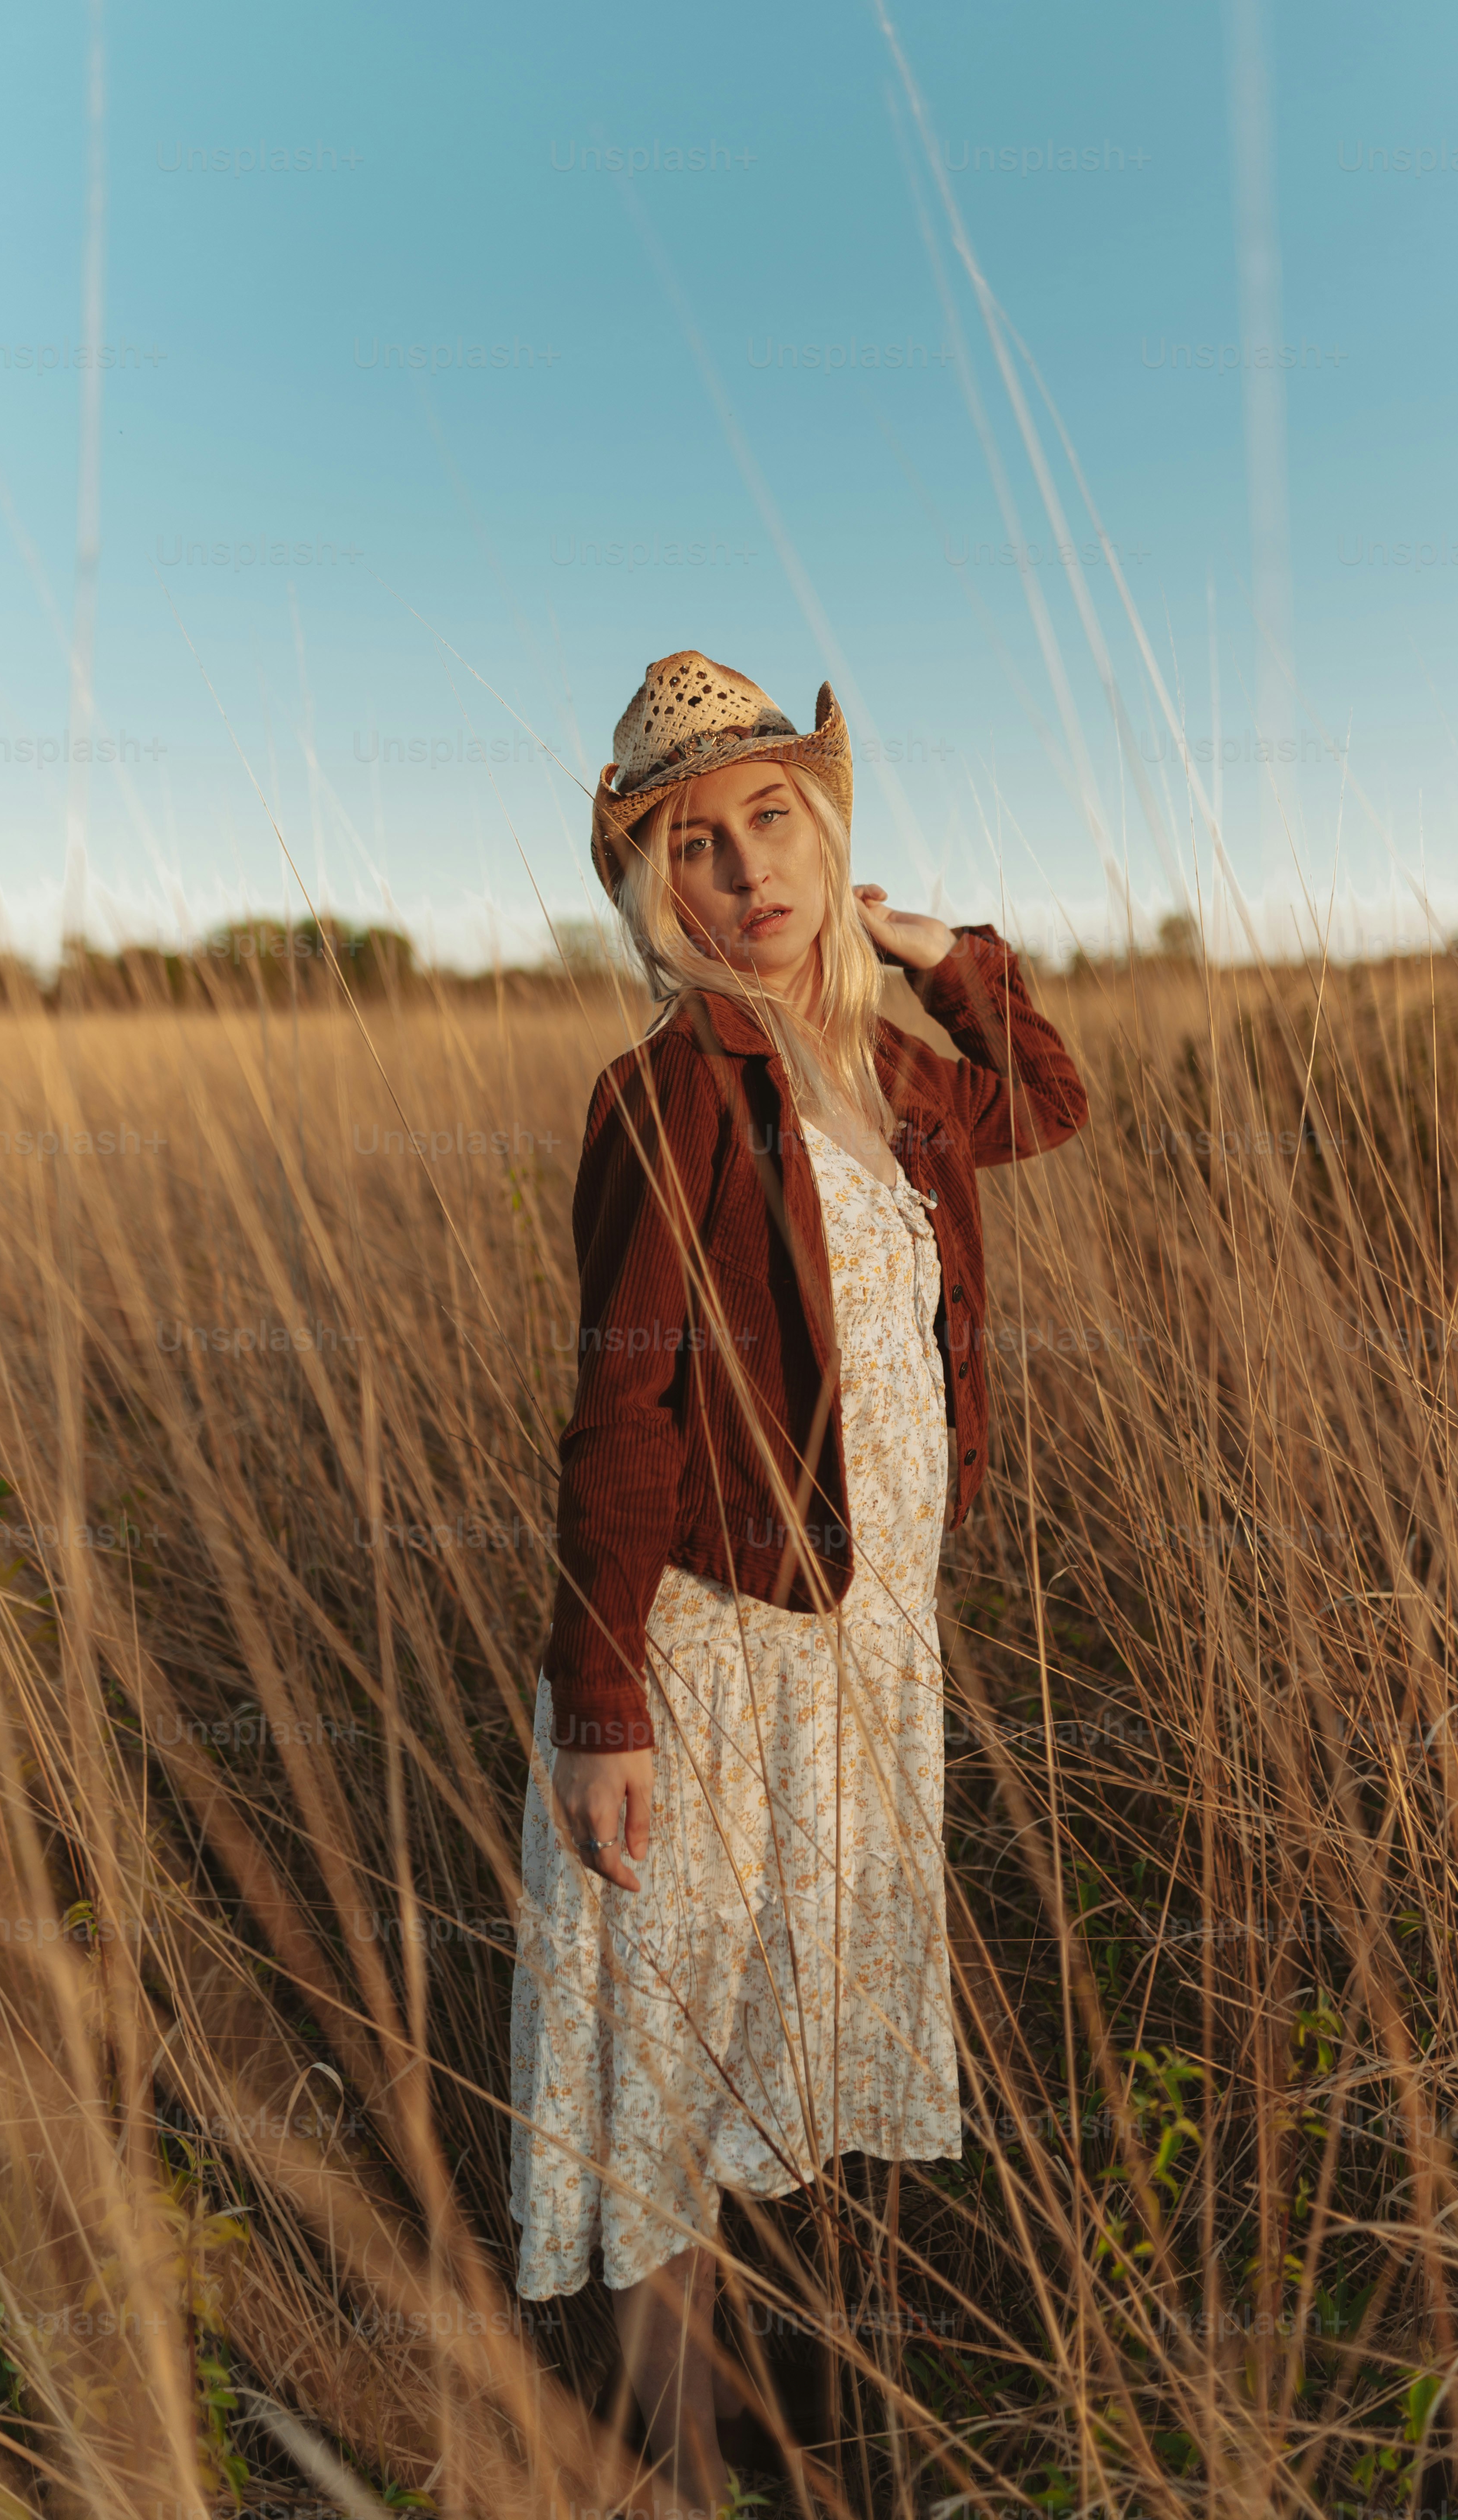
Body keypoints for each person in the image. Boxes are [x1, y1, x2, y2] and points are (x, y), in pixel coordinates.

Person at [508, 651, 1088, 2514]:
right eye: (696, 841)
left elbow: (1050, 1098)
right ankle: (674, 2463)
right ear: (649, 888)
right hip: (715, 1652)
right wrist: (604, 1710)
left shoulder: (877, 1069)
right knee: (672, 2074)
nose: (747, 870)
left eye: (777, 820)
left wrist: (932, 946)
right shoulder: (671, 1086)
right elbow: (621, 1409)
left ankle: (787, 2404)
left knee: (788, 2038)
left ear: (828, 836)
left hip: (862, 1642)